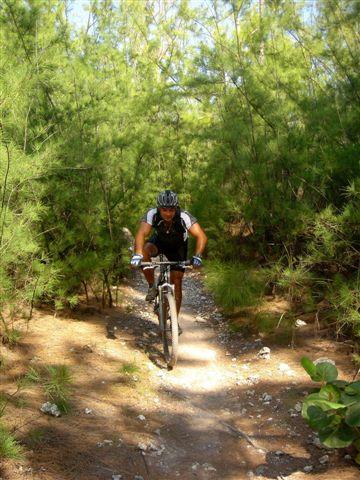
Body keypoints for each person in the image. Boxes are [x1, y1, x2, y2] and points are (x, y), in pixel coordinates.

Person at [130, 190, 207, 315]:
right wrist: (137, 254)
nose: (168, 213)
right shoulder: (152, 214)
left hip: (178, 247)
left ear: (176, 208)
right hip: (159, 242)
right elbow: (141, 233)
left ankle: (174, 321)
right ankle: (152, 286)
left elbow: (201, 236)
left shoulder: (184, 216)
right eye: (164, 210)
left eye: (171, 210)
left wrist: (197, 256)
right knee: (144, 251)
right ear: (159, 209)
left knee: (177, 282)